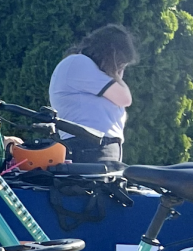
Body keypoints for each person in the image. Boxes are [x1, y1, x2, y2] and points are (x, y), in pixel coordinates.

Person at [49, 24, 136, 164]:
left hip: (95, 146)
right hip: (88, 146)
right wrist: (116, 75)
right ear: (109, 53)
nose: (120, 69)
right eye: (119, 64)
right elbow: (125, 98)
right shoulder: (79, 62)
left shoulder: (89, 72)